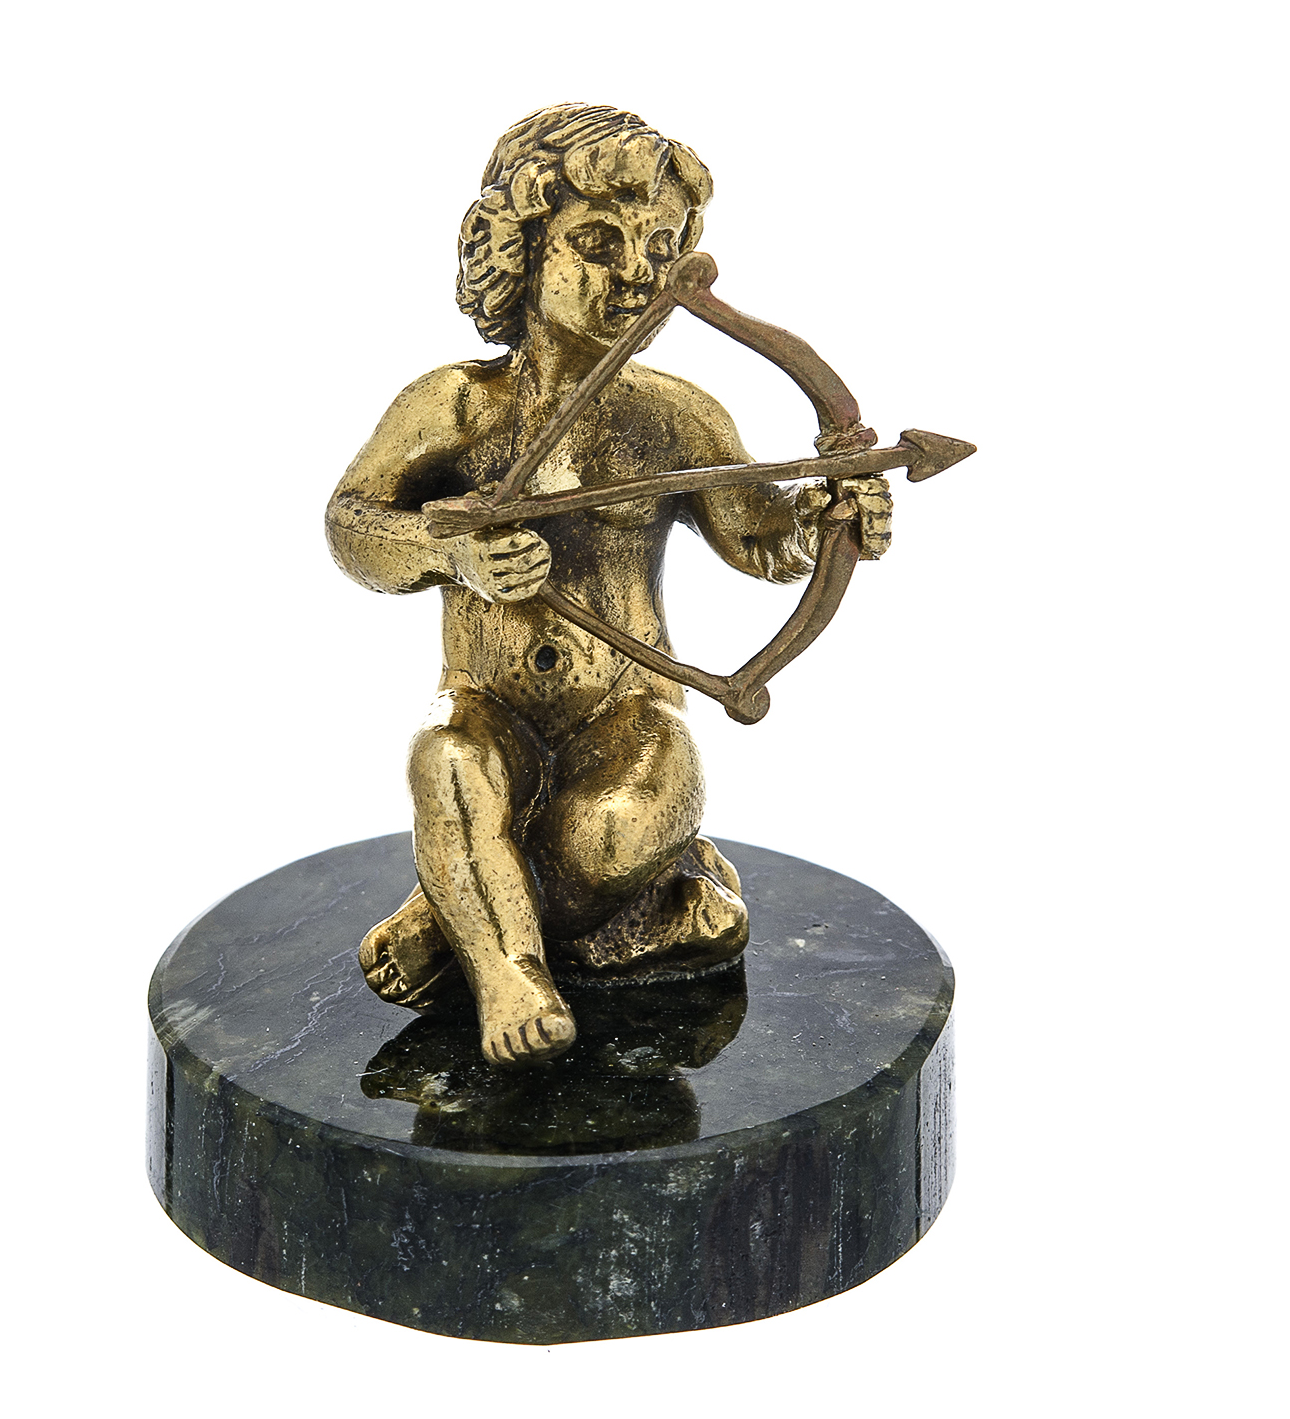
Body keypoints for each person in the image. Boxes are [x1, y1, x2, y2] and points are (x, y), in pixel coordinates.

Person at [326, 104, 890, 1068]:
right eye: (597, 243)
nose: (634, 273)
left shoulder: (674, 417)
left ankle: (456, 904)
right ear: (519, 250)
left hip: (628, 709)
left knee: (619, 833)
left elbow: (761, 540)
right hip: (489, 703)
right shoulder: (455, 405)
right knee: (447, 763)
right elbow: (353, 526)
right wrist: (452, 553)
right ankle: (510, 972)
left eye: (660, 249)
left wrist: (827, 521)